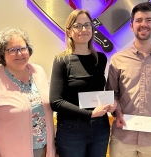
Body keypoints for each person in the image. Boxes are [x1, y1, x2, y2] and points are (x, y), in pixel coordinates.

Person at [106, 2, 151, 157]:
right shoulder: (117, 60)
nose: (143, 24)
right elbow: (112, 93)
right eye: (138, 20)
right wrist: (117, 113)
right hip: (123, 136)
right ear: (131, 26)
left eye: (148, 20)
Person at [0, 27, 55, 157]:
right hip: (9, 152)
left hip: (43, 149)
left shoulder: (38, 71)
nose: (20, 53)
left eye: (23, 48)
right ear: (2, 54)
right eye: (12, 50)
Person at [49, 9, 117, 157]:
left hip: (100, 127)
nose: (84, 29)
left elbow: (99, 91)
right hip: (71, 129)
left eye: (87, 25)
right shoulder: (62, 60)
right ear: (68, 32)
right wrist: (90, 114)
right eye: (77, 26)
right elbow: (56, 101)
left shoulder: (101, 58)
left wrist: (111, 103)